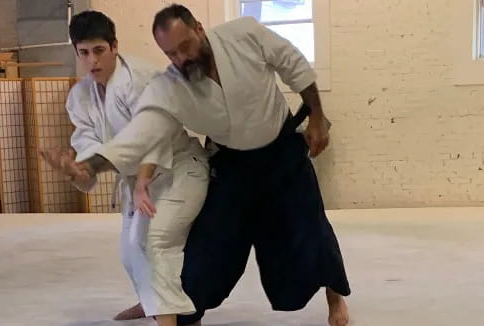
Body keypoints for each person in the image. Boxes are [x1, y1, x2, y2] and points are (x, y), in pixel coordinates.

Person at [77, 4, 351, 326]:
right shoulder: (171, 86)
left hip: (281, 151)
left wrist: (316, 115)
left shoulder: (245, 33)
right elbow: (142, 131)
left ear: (199, 28)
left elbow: (293, 64)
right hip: (231, 162)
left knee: (309, 228)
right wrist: (91, 167)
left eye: (185, 46)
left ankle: (335, 298)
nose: (181, 59)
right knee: (212, 241)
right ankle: (188, 312)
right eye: (171, 54)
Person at [39, 10, 209, 326]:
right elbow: (92, 155)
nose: (93, 61)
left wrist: (143, 182)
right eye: (84, 53)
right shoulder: (80, 97)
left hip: (179, 170)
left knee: (152, 243)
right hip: (137, 181)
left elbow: (156, 133)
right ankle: (153, 304)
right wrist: (74, 170)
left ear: (114, 46)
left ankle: (175, 319)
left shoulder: (142, 80)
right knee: (130, 254)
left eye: (99, 50)